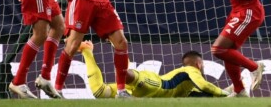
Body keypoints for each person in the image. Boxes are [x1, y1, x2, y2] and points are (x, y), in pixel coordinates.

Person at [78, 40, 230, 98]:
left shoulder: (189, 91)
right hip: (155, 85)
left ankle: (86, 50)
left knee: (99, 92)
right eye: (202, 64)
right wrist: (224, 93)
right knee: (126, 75)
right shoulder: (190, 70)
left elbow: (205, 94)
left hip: (141, 95)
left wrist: (233, 90)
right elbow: (205, 85)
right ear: (198, 64)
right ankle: (118, 46)